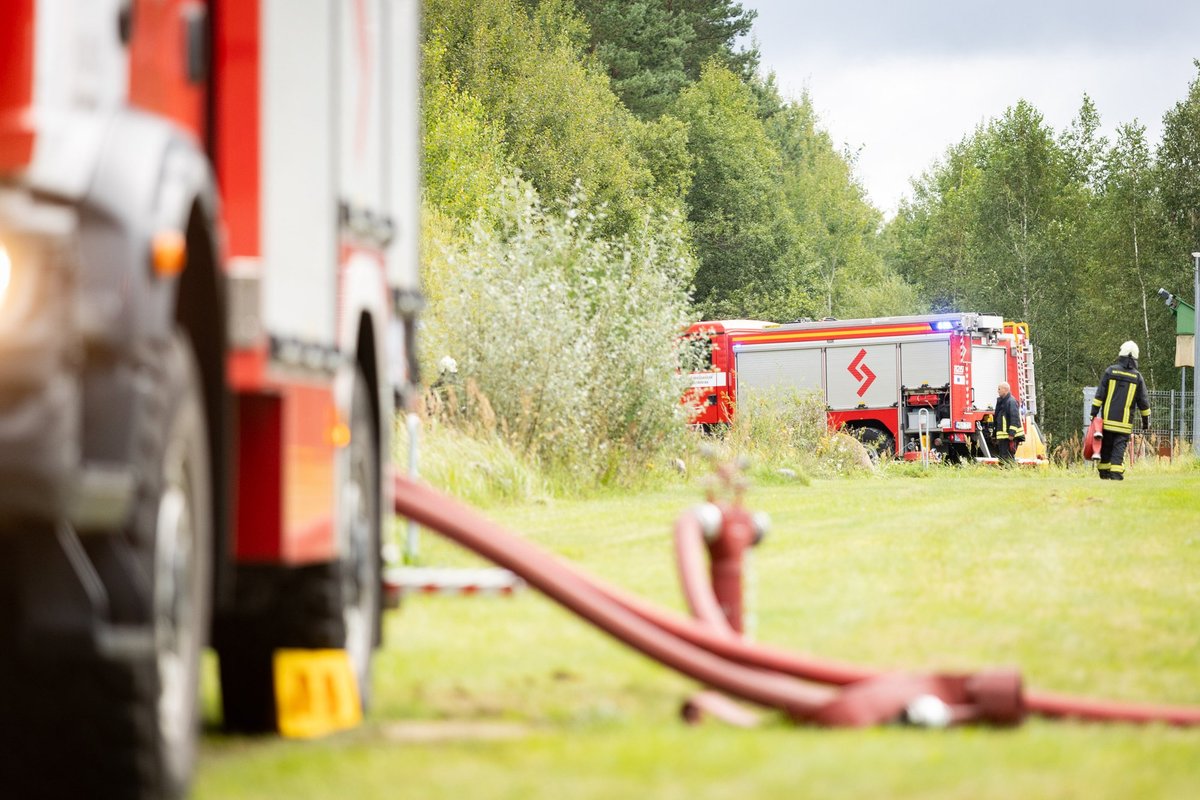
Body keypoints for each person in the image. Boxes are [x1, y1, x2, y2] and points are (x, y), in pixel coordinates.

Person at [1090, 340, 1150, 480]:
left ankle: (1104, 473)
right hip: (1124, 424)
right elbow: (1143, 403)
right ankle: (1116, 473)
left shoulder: (1110, 371)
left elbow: (1099, 395)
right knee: (1118, 448)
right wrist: (1145, 423)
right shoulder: (1137, 377)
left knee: (1106, 446)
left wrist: (1093, 413)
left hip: (1108, 422)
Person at [992, 381, 1023, 464]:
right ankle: (1006, 471)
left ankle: (1010, 471)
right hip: (1003, 436)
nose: (998, 391)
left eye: (999, 389)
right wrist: (994, 435)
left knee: (1008, 458)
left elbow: (1014, 418)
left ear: (1005, 390)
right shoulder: (1002, 402)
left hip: (1009, 436)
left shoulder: (1011, 401)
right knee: (1003, 458)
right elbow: (998, 419)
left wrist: (1012, 434)